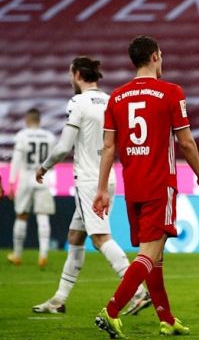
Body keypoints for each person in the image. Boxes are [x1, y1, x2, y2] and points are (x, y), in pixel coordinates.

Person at [92, 35, 199, 339]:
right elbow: (185, 141)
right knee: (149, 254)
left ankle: (166, 318)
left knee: (155, 257)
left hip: (133, 185)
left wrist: (102, 188)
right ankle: (112, 310)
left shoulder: (116, 97)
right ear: (156, 56)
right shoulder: (170, 92)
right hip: (160, 184)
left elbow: (108, 148)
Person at [32, 57, 150, 315]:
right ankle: (59, 299)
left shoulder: (78, 102)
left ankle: (138, 290)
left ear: (76, 74)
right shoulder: (111, 101)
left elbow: (64, 147)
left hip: (88, 181)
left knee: (100, 238)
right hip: (108, 176)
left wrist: (43, 167)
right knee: (75, 237)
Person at [6, 108, 56, 267]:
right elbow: (53, 158)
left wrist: (12, 182)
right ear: (39, 120)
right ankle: (43, 255)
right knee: (43, 216)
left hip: (26, 178)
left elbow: (17, 160)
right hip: (43, 178)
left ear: (27, 120)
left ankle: (17, 254)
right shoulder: (49, 137)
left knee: (21, 215)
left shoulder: (22, 136)